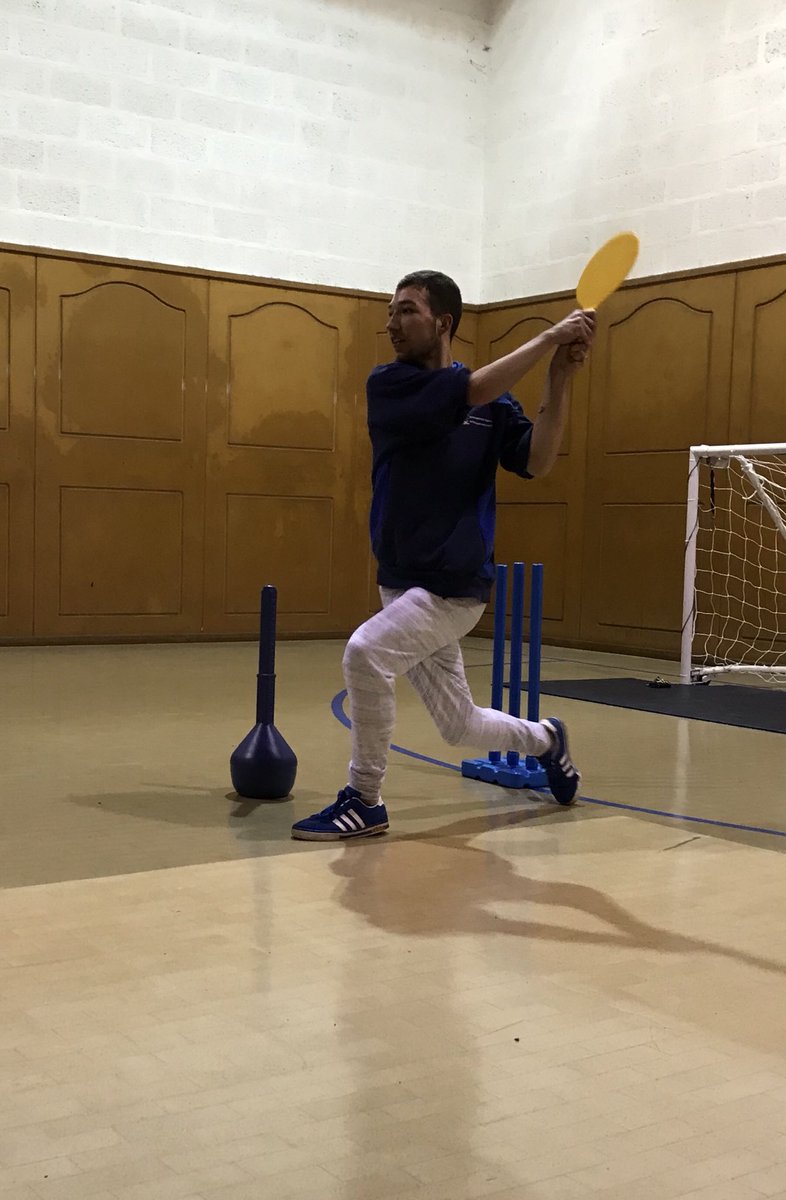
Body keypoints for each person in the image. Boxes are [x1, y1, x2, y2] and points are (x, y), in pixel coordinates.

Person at [291, 270, 596, 841]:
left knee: (365, 654)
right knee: (460, 726)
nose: (392, 324)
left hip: (455, 589)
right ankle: (549, 740)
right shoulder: (390, 386)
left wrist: (559, 378)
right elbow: (468, 391)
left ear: (443, 322)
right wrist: (549, 339)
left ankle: (365, 798)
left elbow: (539, 459)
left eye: (406, 311)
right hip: (401, 582)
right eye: (390, 312)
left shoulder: (492, 400)